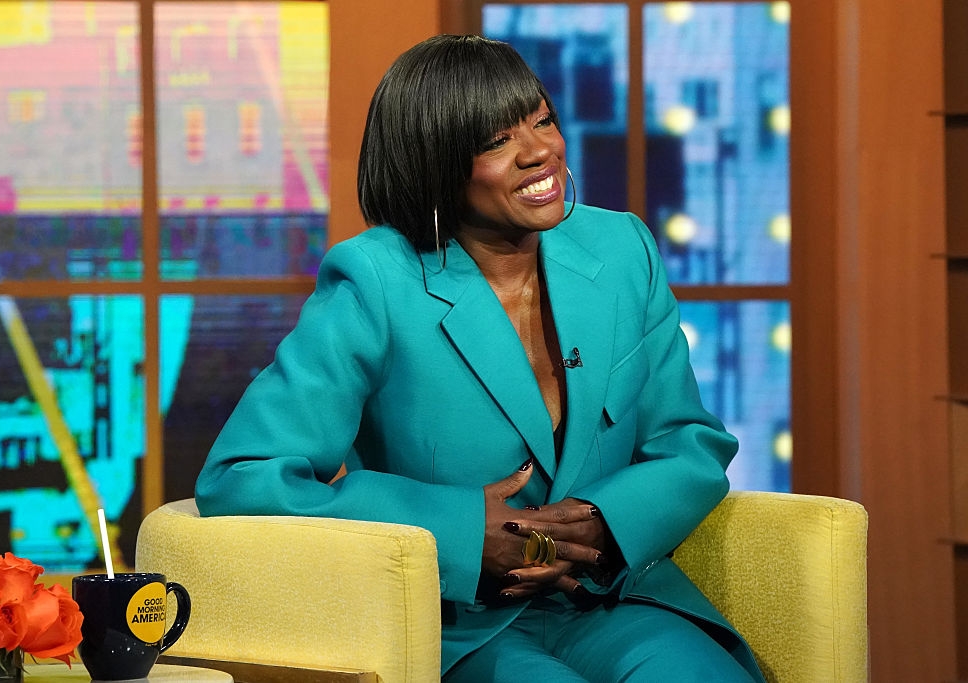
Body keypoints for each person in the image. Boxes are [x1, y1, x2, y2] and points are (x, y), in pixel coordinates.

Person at [195, 34, 765, 683]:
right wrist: (459, 528)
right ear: (435, 164)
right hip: (459, 624)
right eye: (497, 141)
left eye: (543, 120)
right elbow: (244, 476)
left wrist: (606, 524)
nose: (540, 151)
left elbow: (689, 443)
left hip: (613, 597)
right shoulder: (375, 281)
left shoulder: (622, 248)